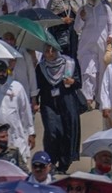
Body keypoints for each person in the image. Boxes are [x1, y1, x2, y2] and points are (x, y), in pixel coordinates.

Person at [35, 44, 82, 174]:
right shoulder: (41, 67)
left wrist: (72, 82)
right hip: (48, 103)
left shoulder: (70, 63)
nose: (50, 53)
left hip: (67, 102)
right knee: (52, 132)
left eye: (53, 50)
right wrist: (34, 101)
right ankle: (51, 161)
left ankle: (64, 164)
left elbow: (79, 83)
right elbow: (37, 87)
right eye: (47, 51)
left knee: (66, 132)